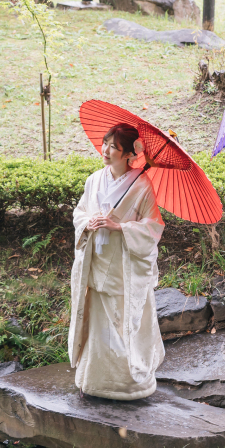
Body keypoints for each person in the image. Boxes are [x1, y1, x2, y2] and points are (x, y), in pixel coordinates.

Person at [68, 122, 165, 399]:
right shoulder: (94, 180)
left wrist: (119, 227)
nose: (105, 150)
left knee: (123, 322)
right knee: (98, 324)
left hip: (123, 267)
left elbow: (153, 227)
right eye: (105, 143)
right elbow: (80, 212)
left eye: (114, 147)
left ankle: (128, 386)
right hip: (96, 260)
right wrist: (88, 222)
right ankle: (94, 382)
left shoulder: (142, 185)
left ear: (130, 154)